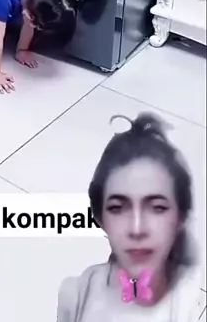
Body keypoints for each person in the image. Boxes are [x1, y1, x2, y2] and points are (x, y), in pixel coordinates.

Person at [57, 114, 203, 320]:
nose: (136, 228)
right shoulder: (75, 295)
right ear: (100, 217)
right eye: (117, 208)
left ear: (180, 218)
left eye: (157, 208)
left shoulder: (188, 299)